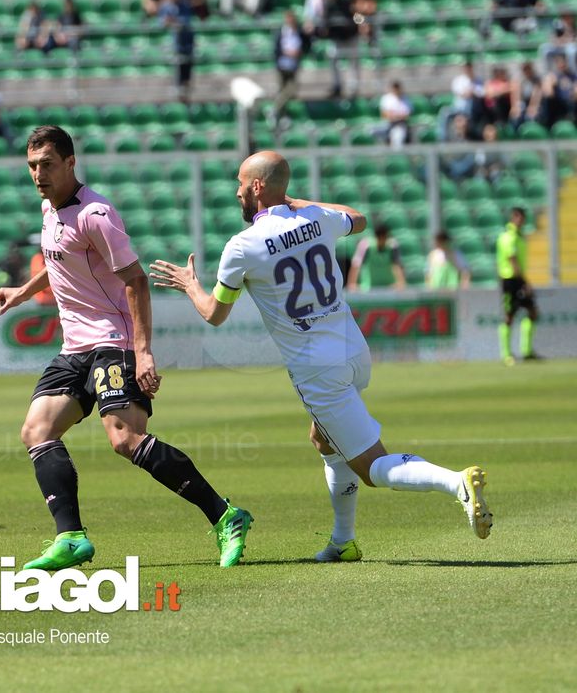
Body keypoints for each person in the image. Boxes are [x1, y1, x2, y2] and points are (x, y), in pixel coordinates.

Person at [149, 151, 493, 563]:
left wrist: (189, 284)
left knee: (371, 467)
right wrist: (293, 201)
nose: (237, 191)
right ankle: (342, 541)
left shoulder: (241, 247)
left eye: (242, 183)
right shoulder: (317, 218)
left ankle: (456, 483)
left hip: (318, 368)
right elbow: (358, 218)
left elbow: (213, 314)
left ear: (257, 187)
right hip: (353, 350)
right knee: (322, 438)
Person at [0, 126, 252, 570]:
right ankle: (71, 538)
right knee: (36, 432)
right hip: (74, 347)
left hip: (113, 340)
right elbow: (62, 260)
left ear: (70, 163)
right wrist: (24, 289)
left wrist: (144, 351)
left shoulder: (96, 214)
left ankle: (226, 516)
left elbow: (134, 280)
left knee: (125, 439)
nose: (38, 174)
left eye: (48, 165)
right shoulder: (48, 208)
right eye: (33, 166)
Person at [496, 207, 540, 365]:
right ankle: (506, 354)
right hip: (510, 280)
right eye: (519, 217)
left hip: (518, 279)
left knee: (533, 312)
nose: (521, 220)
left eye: (523, 217)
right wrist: (525, 282)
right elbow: (512, 259)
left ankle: (526, 351)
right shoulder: (509, 237)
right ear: (513, 217)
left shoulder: (519, 236)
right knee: (509, 315)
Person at [347, 222, 406, 291]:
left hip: (388, 287)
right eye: (381, 237)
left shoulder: (392, 246)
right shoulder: (365, 245)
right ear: (377, 236)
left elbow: (396, 265)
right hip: (369, 288)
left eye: (385, 237)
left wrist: (401, 282)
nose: (383, 240)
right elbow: (356, 265)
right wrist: (352, 284)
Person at [274, 9, 306, 122]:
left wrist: (299, 53)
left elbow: (305, 45)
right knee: (283, 90)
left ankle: (276, 110)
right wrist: (288, 53)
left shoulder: (299, 32)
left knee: (291, 90)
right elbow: (277, 49)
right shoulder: (281, 32)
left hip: (293, 65)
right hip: (283, 65)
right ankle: (281, 114)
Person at [377, 80, 412, 147]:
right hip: (388, 124)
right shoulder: (386, 98)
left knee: (399, 135)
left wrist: (395, 115)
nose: (396, 89)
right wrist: (397, 115)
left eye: (397, 87)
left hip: (402, 124)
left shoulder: (406, 98)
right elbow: (385, 114)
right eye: (394, 87)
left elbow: (407, 114)